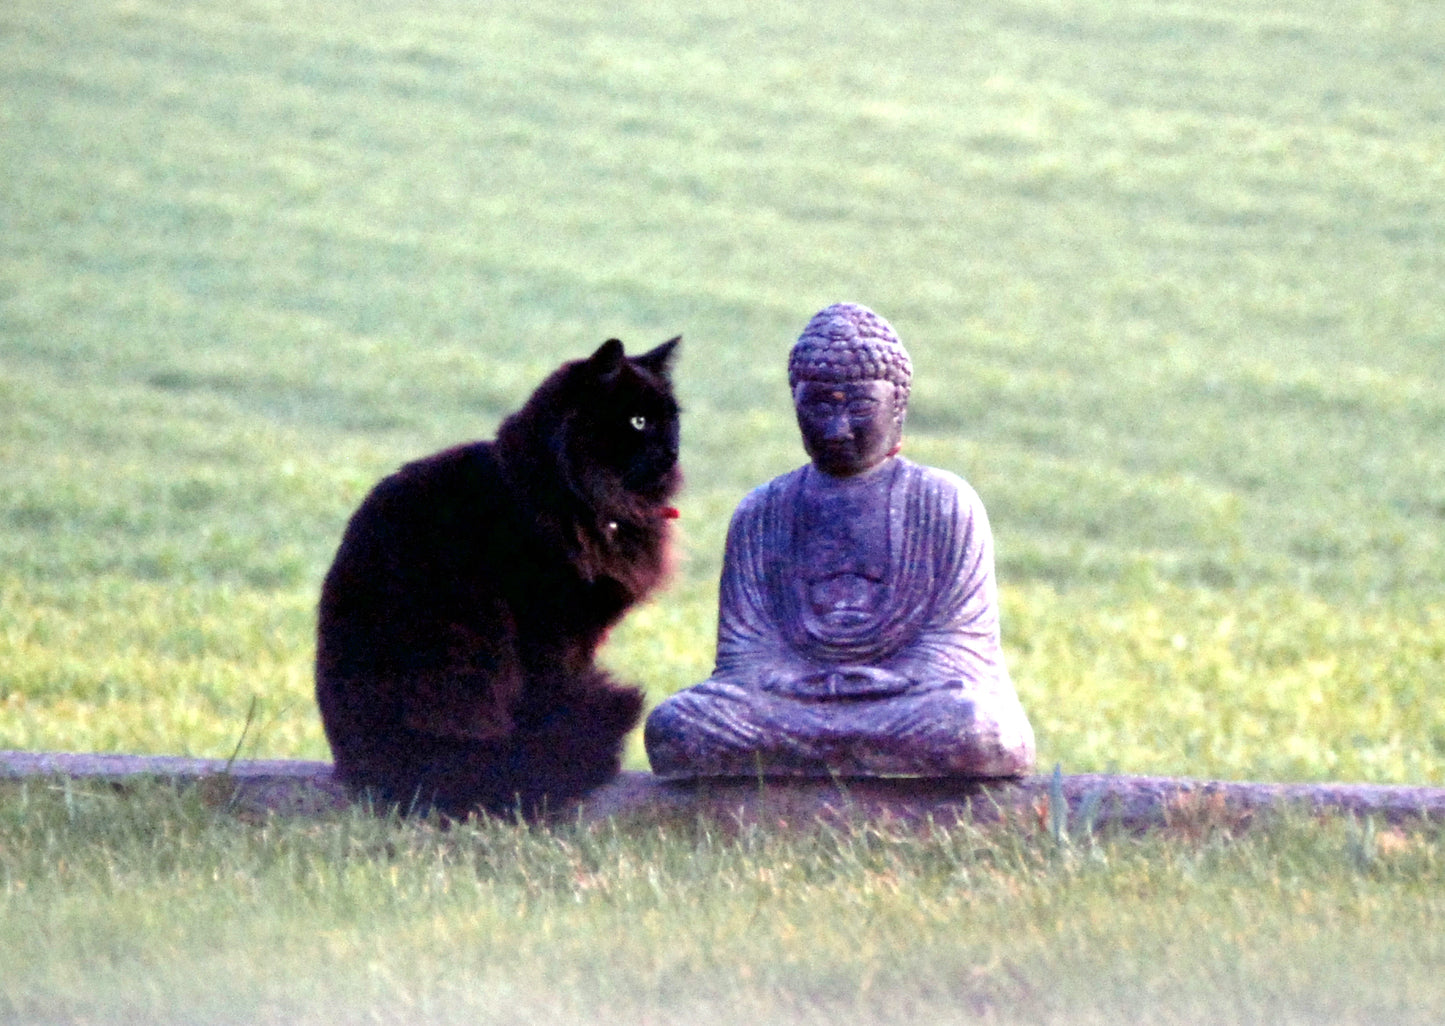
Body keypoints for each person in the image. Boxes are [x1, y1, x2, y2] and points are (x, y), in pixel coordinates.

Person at [644, 303, 1035, 778]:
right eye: (818, 405)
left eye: (860, 406)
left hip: (909, 701)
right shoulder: (763, 511)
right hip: (791, 703)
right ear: (795, 402)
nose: (836, 428)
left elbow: (959, 646)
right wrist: (801, 683)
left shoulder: (944, 502)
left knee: (976, 728)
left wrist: (885, 681)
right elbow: (744, 654)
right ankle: (845, 748)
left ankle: (814, 753)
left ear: (899, 406)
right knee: (677, 726)